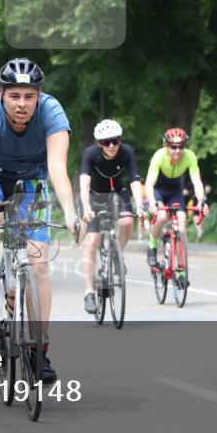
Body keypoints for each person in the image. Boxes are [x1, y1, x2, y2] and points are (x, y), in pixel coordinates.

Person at [0, 58, 79, 382]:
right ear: (1, 94)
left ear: (39, 96)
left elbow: (58, 168)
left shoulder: (52, 112)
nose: (22, 104)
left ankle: (38, 350)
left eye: (29, 96)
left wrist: (70, 214)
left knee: (38, 263)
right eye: (15, 96)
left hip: (31, 180)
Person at [78, 119, 144, 314]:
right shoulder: (91, 154)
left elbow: (134, 181)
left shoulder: (127, 152)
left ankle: (116, 253)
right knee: (92, 240)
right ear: (100, 144)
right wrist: (86, 207)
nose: (112, 146)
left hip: (117, 192)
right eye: (107, 142)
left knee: (127, 221)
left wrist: (140, 205)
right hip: (93, 196)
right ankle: (89, 291)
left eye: (115, 141)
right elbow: (83, 185)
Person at [144, 128, 209, 277]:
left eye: (181, 147)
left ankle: (180, 271)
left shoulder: (190, 157)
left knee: (181, 225)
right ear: (166, 146)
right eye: (173, 147)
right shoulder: (159, 156)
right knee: (161, 217)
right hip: (158, 190)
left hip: (175, 192)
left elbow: (197, 182)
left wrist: (201, 201)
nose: (178, 150)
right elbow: (149, 184)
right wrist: (152, 202)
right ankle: (152, 246)